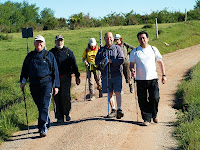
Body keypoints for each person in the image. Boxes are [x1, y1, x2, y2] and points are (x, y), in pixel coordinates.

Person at [20, 35, 60, 137]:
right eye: (37, 42)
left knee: (44, 105)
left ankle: (42, 128)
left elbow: (55, 71)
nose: (39, 44)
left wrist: (56, 86)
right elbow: (24, 71)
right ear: (34, 44)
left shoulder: (49, 55)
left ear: (44, 44)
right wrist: (23, 81)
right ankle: (47, 122)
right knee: (40, 106)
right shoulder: (30, 56)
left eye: (41, 42)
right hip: (34, 85)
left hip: (46, 84)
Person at [129, 31, 166, 126]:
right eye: (140, 38)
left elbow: (160, 62)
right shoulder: (135, 51)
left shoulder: (153, 49)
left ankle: (154, 114)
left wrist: (163, 75)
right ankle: (146, 118)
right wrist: (132, 70)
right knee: (142, 99)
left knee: (155, 98)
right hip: (140, 80)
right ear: (138, 40)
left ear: (147, 39)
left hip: (153, 78)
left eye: (144, 38)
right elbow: (131, 64)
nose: (142, 40)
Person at [50, 35, 80, 123]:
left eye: (61, 41)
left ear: (63, 41)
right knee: (57, 97)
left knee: (66, 96)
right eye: (58, 41)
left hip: (66, 77)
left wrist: (77, 76)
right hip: (55, 79)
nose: (60, 42)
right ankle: (59, 116)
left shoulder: (68, 52)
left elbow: (74, 65)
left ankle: (67, 113)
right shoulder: (51, 53)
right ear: (55, 42)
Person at [95, 32, 125, 119]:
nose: (109, 39)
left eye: (111, 38)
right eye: (107, 38)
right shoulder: (101, 50)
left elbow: (121, 60)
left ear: (113, 38)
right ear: (104, 39)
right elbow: (96, 62)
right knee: (109, 93)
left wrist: (112, 61)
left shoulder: (118, 48)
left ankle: (119, 109)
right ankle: (113, 109)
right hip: (106, 75)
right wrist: (102, 63)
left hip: (116, 74)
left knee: (118, 92)